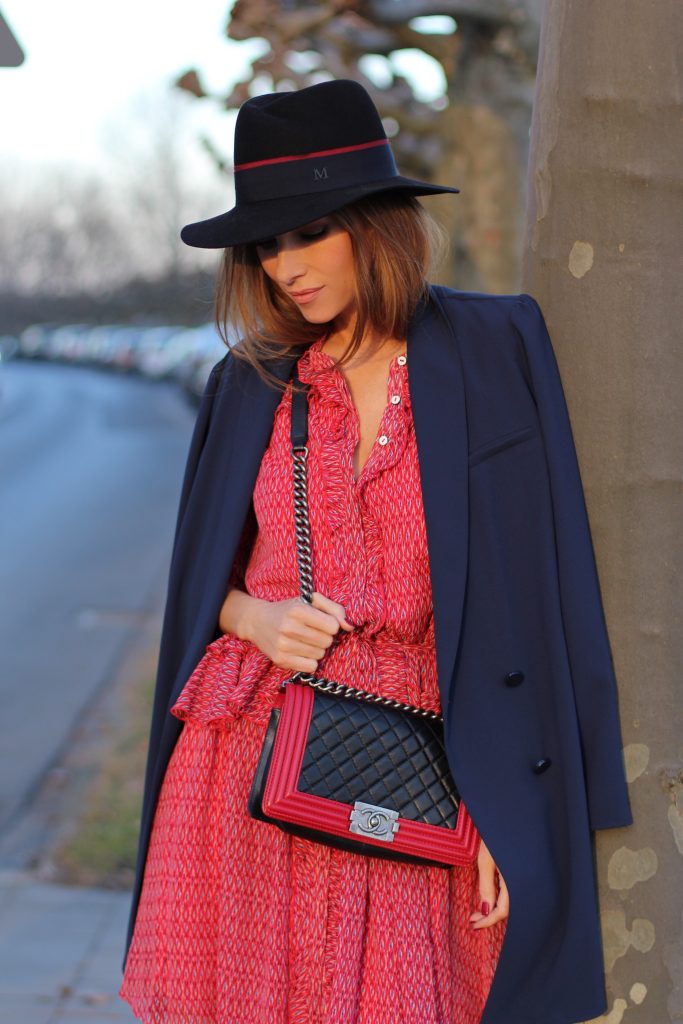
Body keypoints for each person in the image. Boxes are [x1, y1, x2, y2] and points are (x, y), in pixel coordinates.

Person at [119, 80, 633, 1024]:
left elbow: (546, 582)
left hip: (424, 768)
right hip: (247, 765)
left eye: (307, 232)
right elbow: (200, 582)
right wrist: (255, 618)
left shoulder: (494, 346)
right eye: (266, 245)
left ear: (375, 224)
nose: (284, 267)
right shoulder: (249, 386)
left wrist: (530, 812)